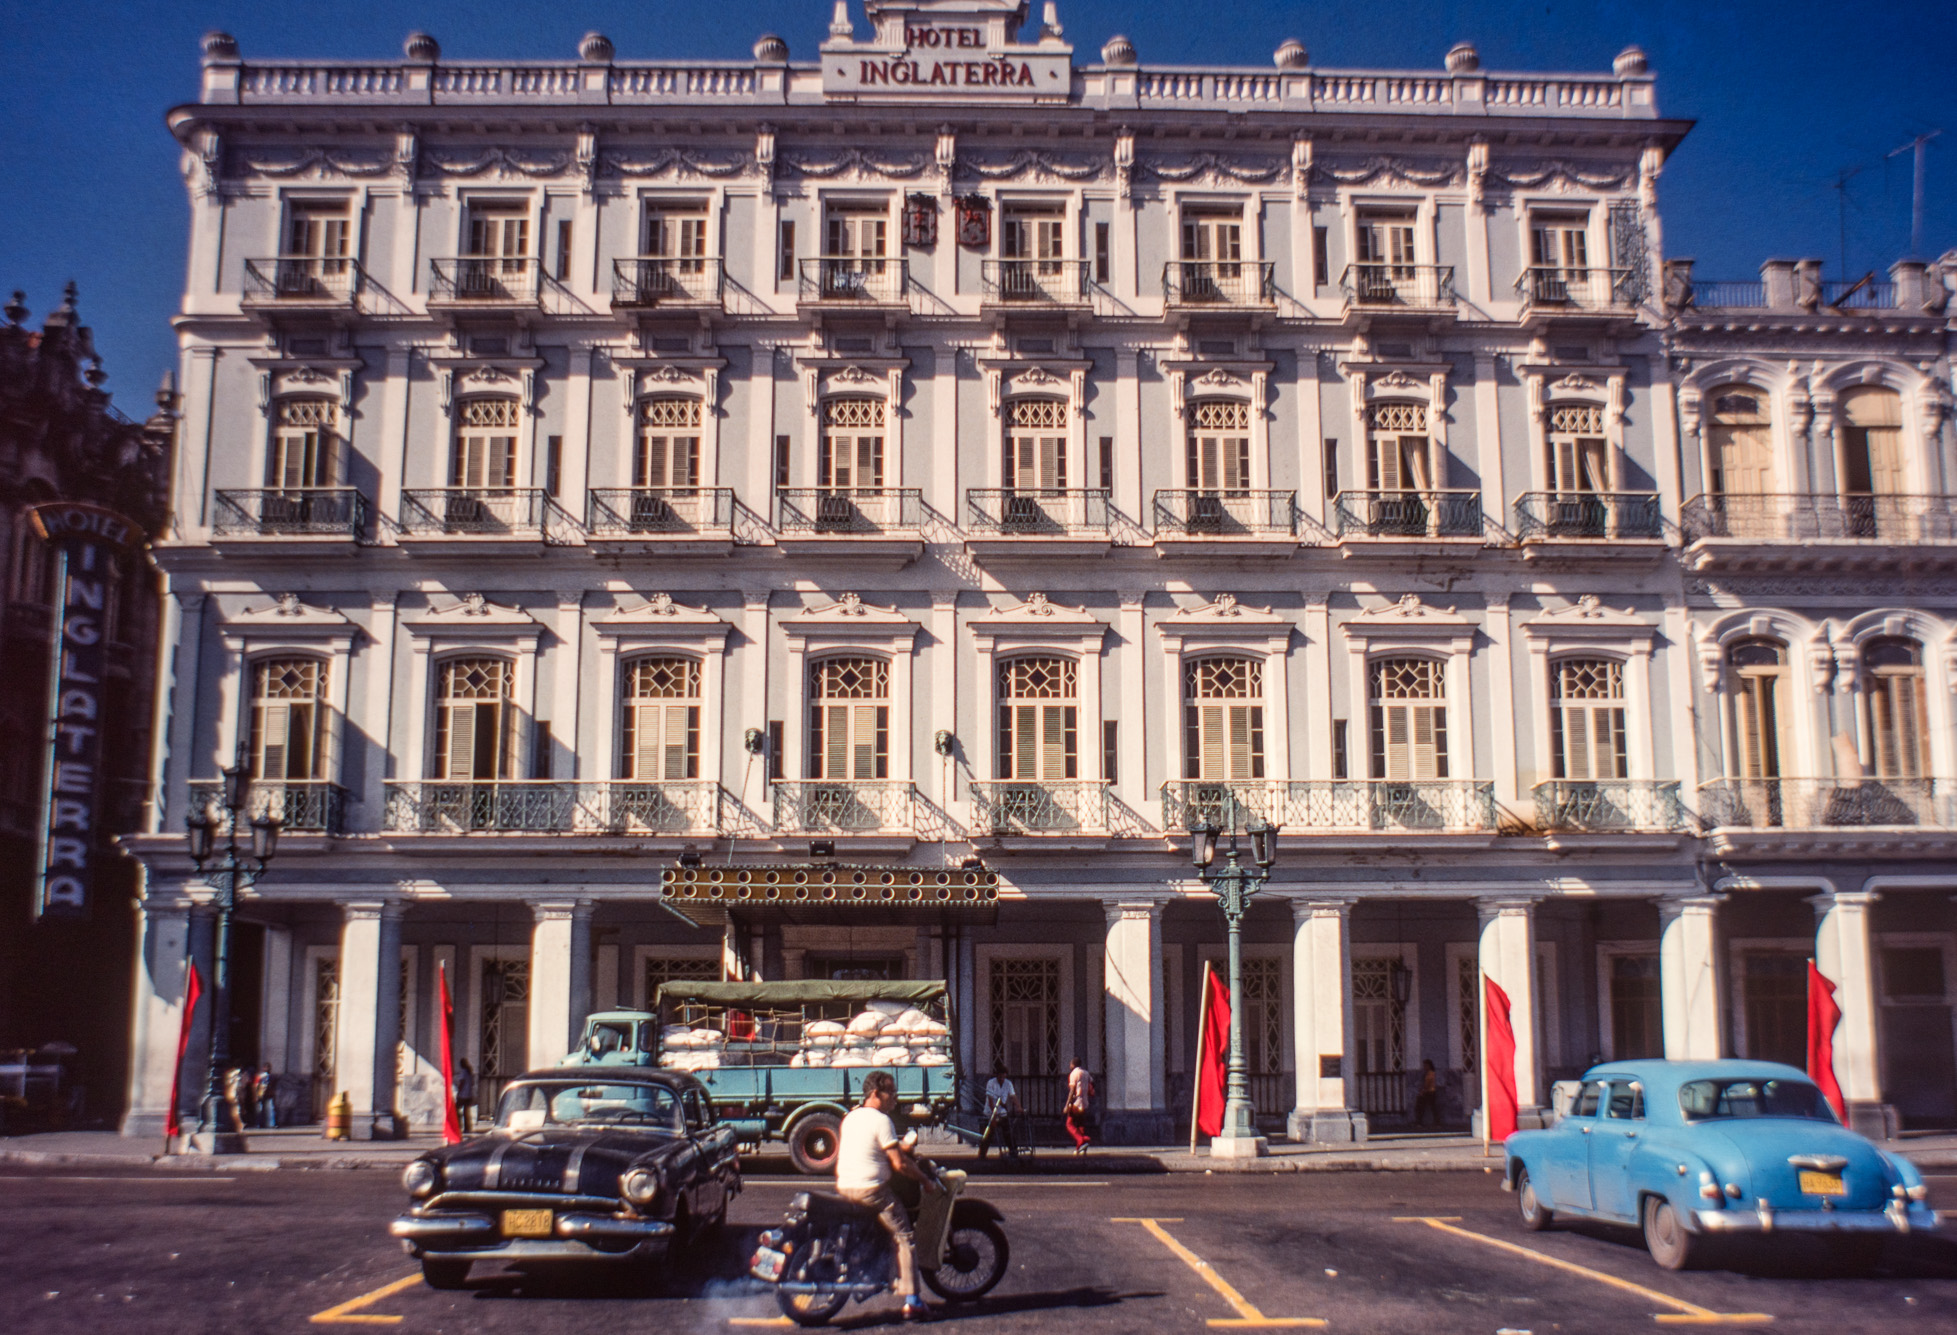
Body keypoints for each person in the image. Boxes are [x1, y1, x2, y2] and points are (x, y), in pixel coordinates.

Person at [838, 1070, 935, 1323]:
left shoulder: (850, 1117)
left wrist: (900, 1147)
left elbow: (872, 1146)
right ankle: (913, 1302)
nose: (895, 1097)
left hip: (845, 1186)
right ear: (875, 1094)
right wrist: (924, 1180)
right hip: (872, 1191)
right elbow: (900, 1165)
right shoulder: (881, 1120)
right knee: (905, 1237)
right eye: (891, 1092)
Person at [976, 1062, 1021, 1160]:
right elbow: (990, 1100)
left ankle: (1013, 1151)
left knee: (1008, 1132)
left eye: (1003, 1077)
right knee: (987, 1135)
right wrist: (994, 1116)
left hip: (1002, 1112)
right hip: (990, 1112)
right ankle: (982, 1155)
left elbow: (1013, 1096)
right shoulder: (991, 1083)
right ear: (997, 1076)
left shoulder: (1008, 1084)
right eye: (1000, 1077)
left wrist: (1019, 1107)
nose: (1001, 1079)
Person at [1064, 1057, 1095, 1156]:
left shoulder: (1073, 1074)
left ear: (1073, 1064)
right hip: (1084, 1102)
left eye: (1070, 1064)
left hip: (1076, 1103)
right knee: (1080, 1125)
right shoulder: (1086, 1073)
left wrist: (1067, 1104)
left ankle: (1081, 1140)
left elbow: (1072, 1090)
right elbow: (1092, 1083)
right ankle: (1081, 1147)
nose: (1069, 1066)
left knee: (1069, 1124)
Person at [1413, 1059, 1440, 1128]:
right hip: (1430, 1092)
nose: (1424, 1067)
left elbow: (1427, 1084)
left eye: (1425, 1065)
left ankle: (1419, 1122)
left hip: (1429, 1092)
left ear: (1429, 1066)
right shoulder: (1429, 1073)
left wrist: (1422, 1091)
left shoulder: (1430, 1073)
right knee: (1432, 1107)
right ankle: (1436, 1122)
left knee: (1422, 1107)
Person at [454, 1059, 478, 1133]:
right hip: (469, 1094)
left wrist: (459, 1091)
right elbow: (472, 1083)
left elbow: (462, 1083)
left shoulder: (463, 1072)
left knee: (456, 1109)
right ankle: (467, 1127)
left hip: (463, 1094)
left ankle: (458, 1125)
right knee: (466, 1112)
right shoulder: (470, 1072)